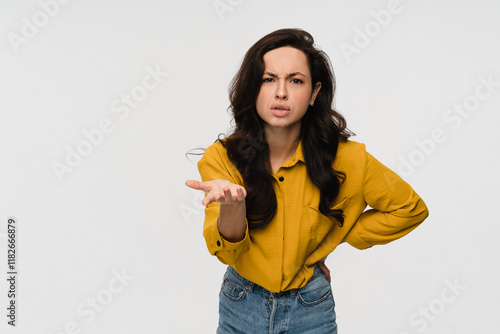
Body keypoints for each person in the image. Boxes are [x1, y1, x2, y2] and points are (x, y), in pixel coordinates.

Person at [185, 28, 429, 334]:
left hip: (311, 307)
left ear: (314, 93)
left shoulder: (350, 159)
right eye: (268, 79)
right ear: (252, 89)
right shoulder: (222, 158)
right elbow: (228, 253)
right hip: (241, 303)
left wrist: (333, 236)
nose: (281, 93)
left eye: (295, 81)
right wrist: (233, 205)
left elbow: (410, 209)